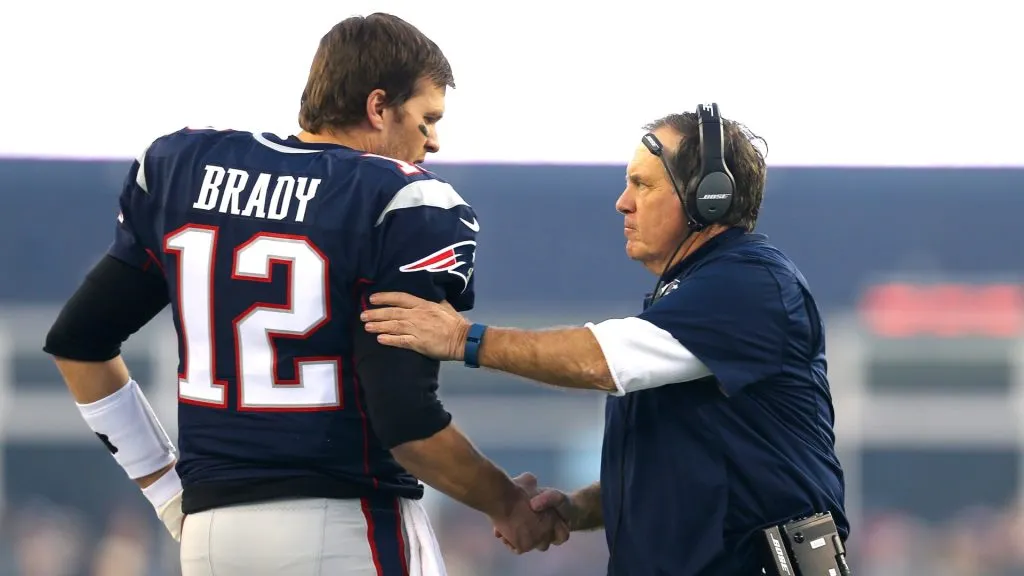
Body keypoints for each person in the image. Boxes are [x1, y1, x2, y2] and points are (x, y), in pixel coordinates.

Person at [41, 12, 566, 576]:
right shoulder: (399, 201)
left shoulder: (182, 169)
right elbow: (407, 422)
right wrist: (507, 504)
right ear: (378, 106)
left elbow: (79, 343)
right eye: (427, 117)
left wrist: (168, 491)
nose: (433, 140)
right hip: (344, 525)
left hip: (211, 539)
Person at [360, 104, 850, 575]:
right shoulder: (690, 298)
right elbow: (675, 468)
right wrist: (575, 509)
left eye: (642, 184)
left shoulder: (749, 283)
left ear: (708, 197)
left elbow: (598, 360)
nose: (623, 201)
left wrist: (462, 338)